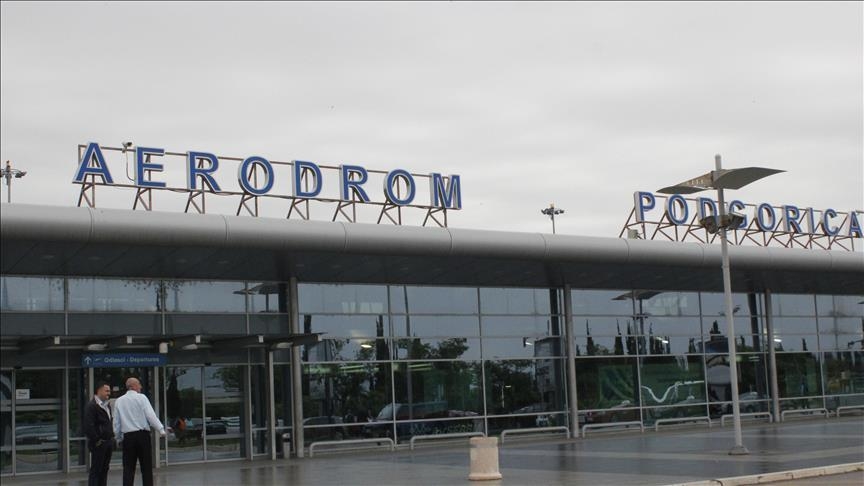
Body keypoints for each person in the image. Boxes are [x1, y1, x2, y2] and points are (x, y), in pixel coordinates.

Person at [113, 377, 168, 486]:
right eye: (139, 384)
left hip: (128, 437)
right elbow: (150, 415)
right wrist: (161, 429)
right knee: (146, 467)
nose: (141, 386)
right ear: (133, 386)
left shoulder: (119, 401)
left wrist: (118, 437)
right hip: (142, 435)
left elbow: (116, 422)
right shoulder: (142, 398)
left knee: (128, 468)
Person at [84, 381, 114, 486]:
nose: (109, 393)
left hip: (108, 442)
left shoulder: (107, 406)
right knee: (96, 470)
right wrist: (97, 440)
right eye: (106, 391)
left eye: (109, 391)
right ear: (99, 391)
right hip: (99, 443)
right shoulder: (92, 406)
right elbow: (89, 426)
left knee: (104, 469)